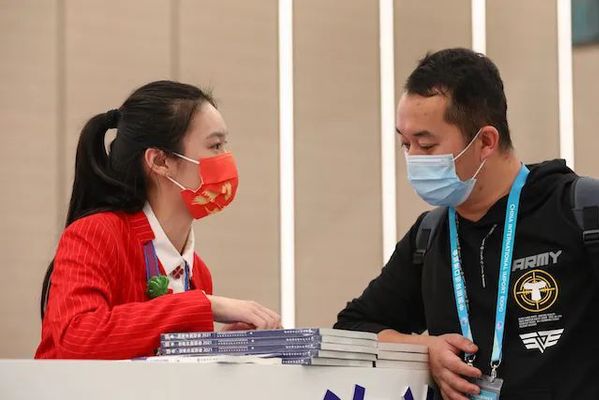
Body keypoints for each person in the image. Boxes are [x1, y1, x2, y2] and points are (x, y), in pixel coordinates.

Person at [335, 48, 599, 399]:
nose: (413, 159)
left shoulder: (579, 211)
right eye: (405, 144)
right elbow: (353, 328)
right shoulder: (430, 237)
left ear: (486, 141)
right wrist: (424, 348)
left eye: (426, 145)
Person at [36, 80, 281, 359]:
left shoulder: (198, 272)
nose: (226, 159)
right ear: (160, 161)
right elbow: (75, 338)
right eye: (215, 145)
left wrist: (216, 346)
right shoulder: (95, 233)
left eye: (225, 145)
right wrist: (203, 305)